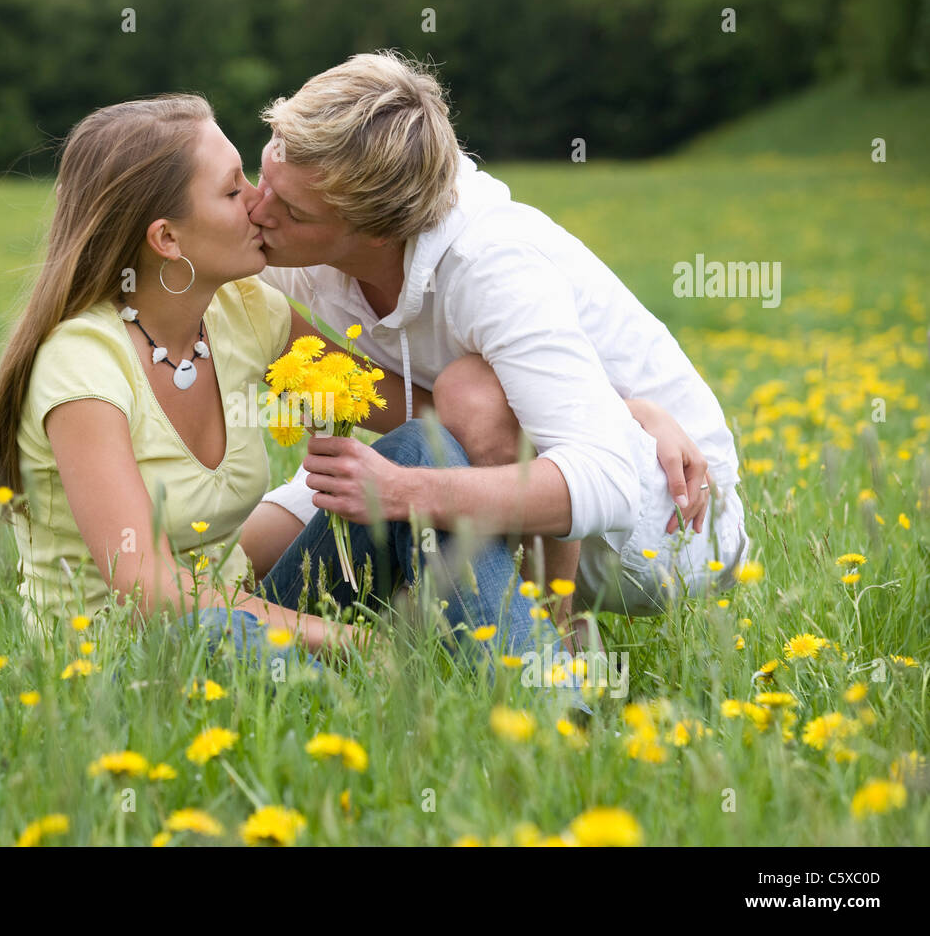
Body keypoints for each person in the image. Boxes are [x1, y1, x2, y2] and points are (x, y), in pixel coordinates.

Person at [0, 95, 545, 676]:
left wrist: (516, 402)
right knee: (215, 632)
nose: (259, 200)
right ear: (167, 239)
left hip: (240, 620)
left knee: (424, 450)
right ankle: (369, 715)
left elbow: (413, 408)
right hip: (121, 661)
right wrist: (362, 644)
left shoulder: (246, 312)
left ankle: (542, 694)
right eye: (231, 191)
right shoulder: (83, 364)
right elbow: (148, 590)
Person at [242, 51, 752, 650]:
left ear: (378, 229)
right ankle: (420, 627)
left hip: (664, 525)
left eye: (292, 211)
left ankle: (555, 645)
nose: (257, 211)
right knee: (246, 560)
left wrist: (405, 493)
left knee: (474, 393)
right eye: (262, 177)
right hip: (491, 450)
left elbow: (604, 480)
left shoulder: (491, 262)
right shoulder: (304, 227)